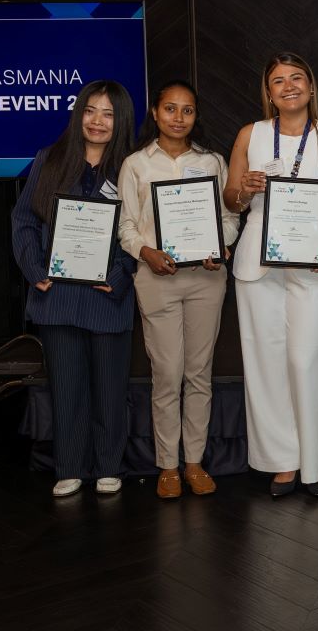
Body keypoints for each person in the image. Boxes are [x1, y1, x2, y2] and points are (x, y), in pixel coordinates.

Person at [224, 52, 318, 497]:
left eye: (297, 78)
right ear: (269, 93)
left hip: (314, 261)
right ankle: (282, 461)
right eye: (278, 81)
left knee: (306, 359)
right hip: (257, 264)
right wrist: (242, 189)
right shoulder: (251, 134)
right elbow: (230, 200)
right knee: (265, 363)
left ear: (311, 86)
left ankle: (315, 463)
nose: (288, 86)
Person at [11, 80, 137, 497]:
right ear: (78, 113)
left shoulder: (131, 168)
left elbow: (145, 232)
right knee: (66, 387)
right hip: (57, 294)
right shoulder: (50, 160)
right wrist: (34, 268)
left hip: (108, 297)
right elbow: (24, 221)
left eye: (108, 113)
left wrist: (120, 275)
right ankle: (68, 467)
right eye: (90, 111)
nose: (97, 121)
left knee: (109, 389)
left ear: (120, 121)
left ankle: (107, 466)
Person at [118, 80, 240, 499]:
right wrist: (146, 251)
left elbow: (229, 219)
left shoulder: (212, 162)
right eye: (170, 109)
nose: (178, 118)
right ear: (155, 112)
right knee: (167, 374)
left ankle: (194, 462)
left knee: (198, 373)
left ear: (195, 116)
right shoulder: (136, 164)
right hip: (157, 280)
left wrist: (221, 246)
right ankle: (167, 465)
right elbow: (126, 228)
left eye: (187, 110)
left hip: (206, 278)